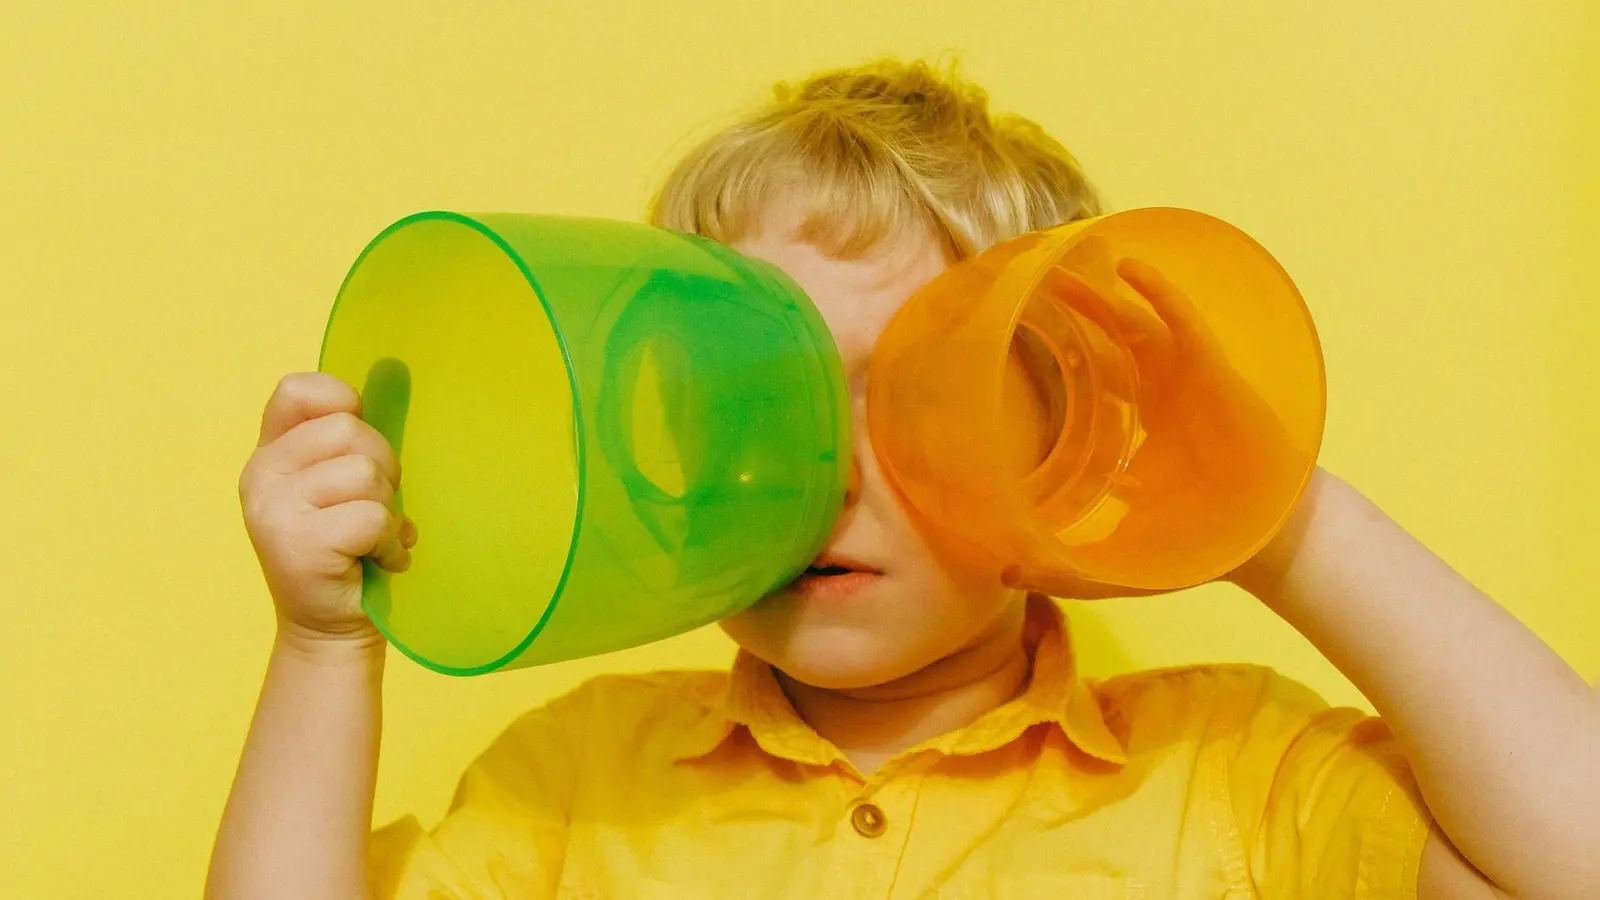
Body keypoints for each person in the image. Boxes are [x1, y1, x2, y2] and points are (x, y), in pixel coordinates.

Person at [206, 58, 1598, 900]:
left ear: (1065, 434)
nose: (814, 466)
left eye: (916, 394)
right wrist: (327, 650)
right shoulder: (575, 788)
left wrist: (1269, 510)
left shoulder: (1225, 775)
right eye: (742, 393)